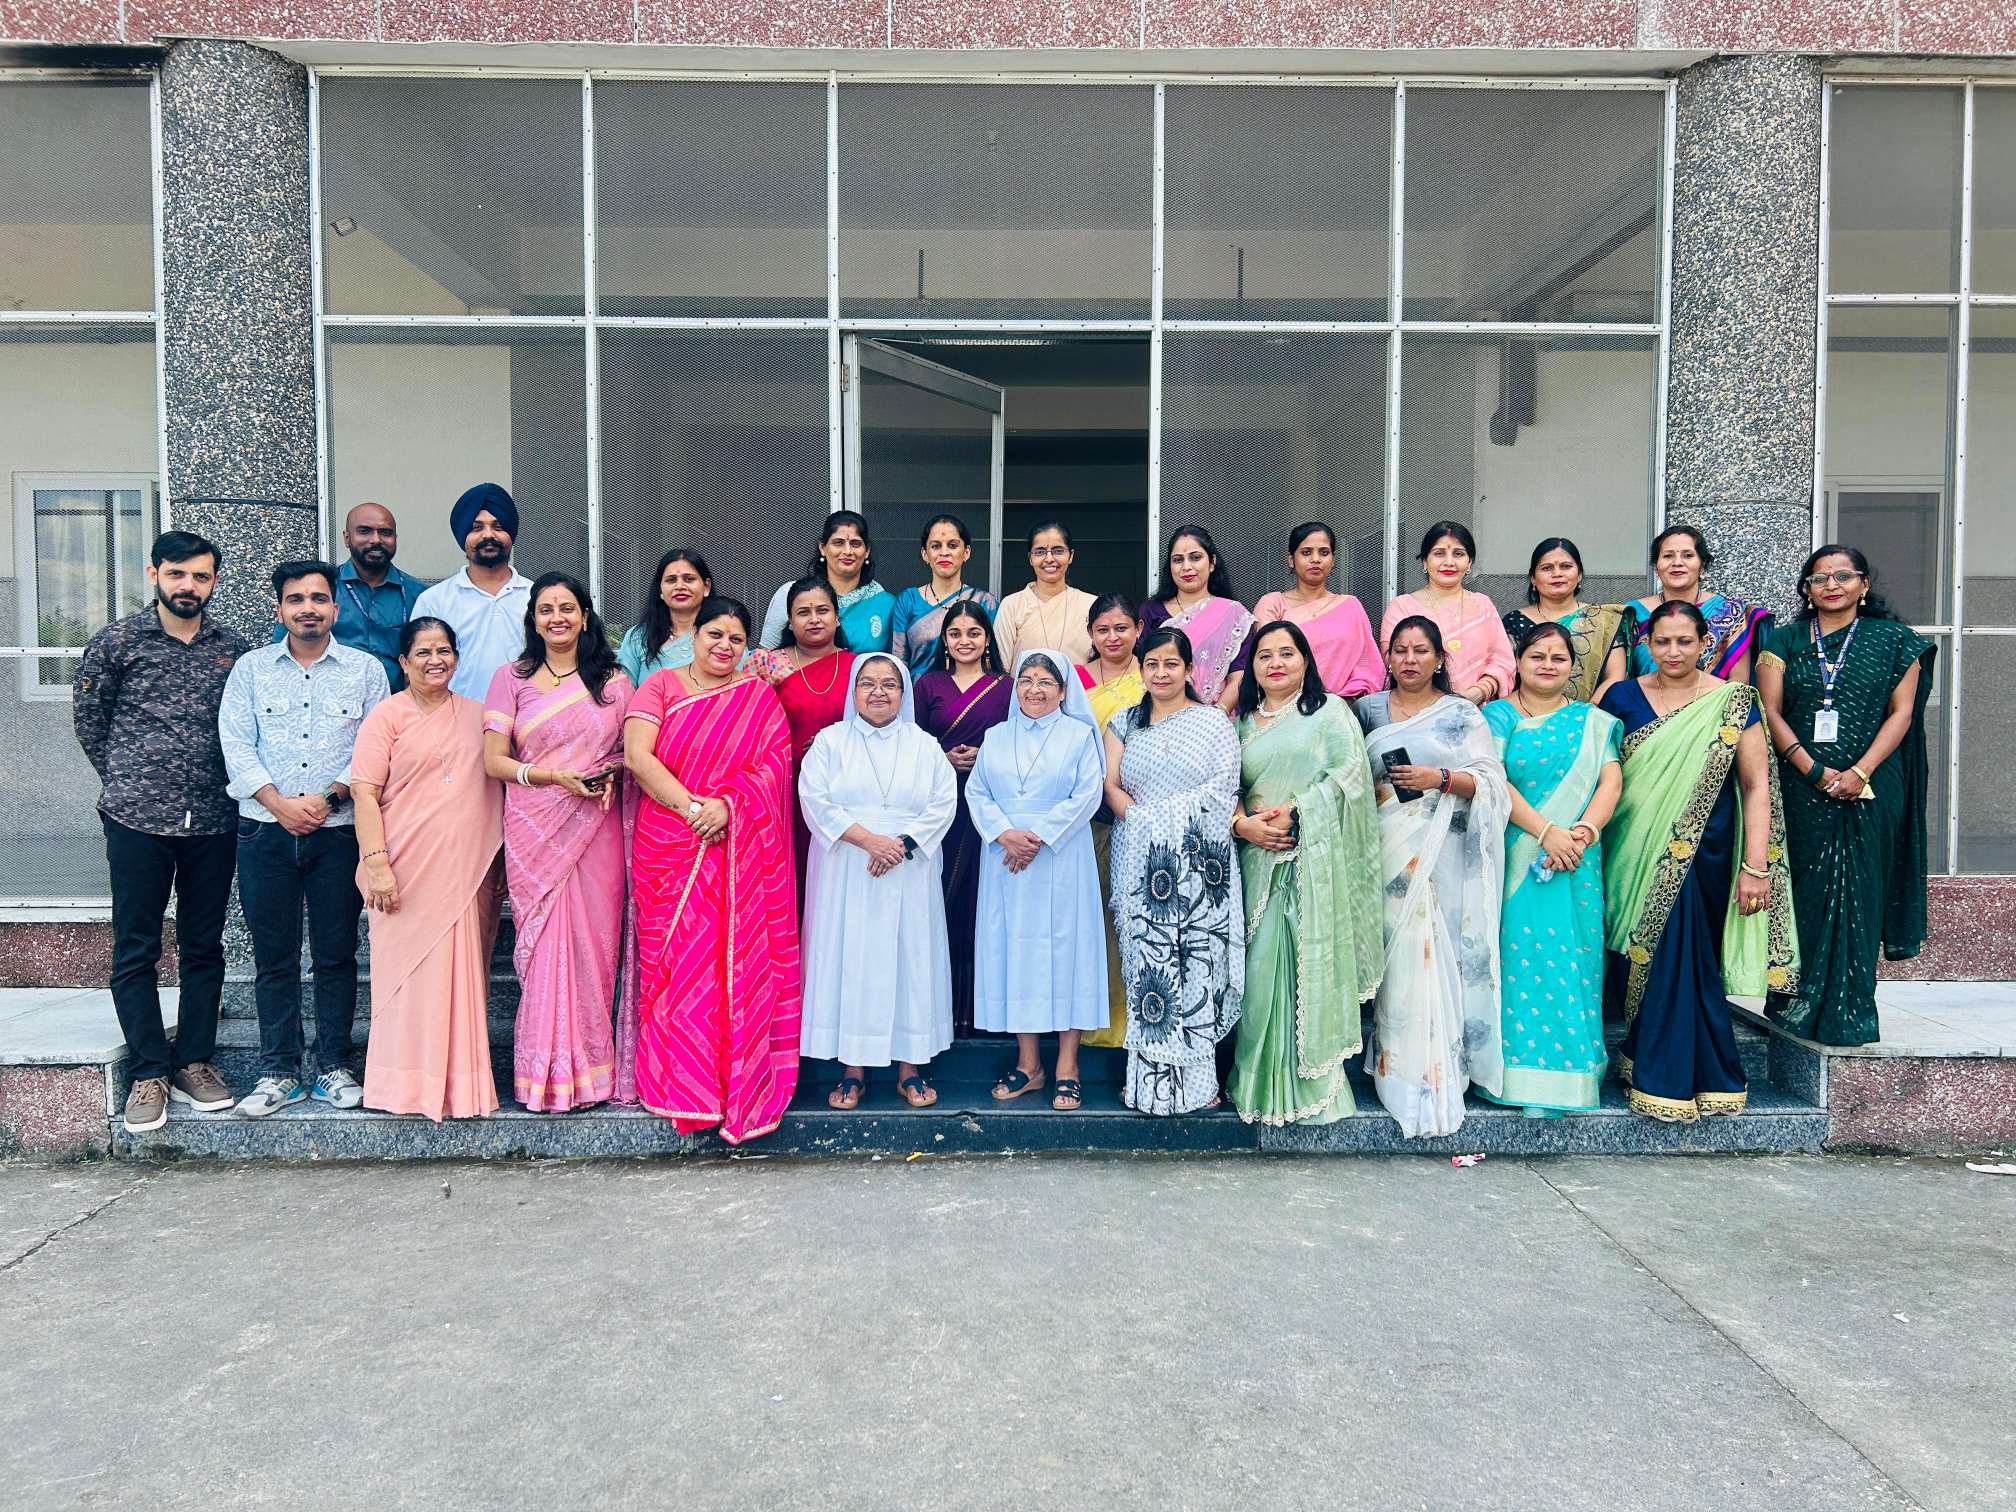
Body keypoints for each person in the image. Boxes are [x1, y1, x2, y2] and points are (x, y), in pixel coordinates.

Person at [72, 530, 249, 1134]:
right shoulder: (118, 642)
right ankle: (149, 1070)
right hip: (137, 818)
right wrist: (129, 778)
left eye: (200, 576)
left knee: (204, 944)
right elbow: (90, 720)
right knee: (137, 946)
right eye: (177, 574)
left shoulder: (233, 649)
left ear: (214, 581)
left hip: (214, 818)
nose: (188, 586)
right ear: (154, 575)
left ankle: (194, 1060)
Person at [1599, 600, 1797, 1122]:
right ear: (1646, 645)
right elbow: (1598, 774)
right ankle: (1644, 1055)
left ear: (1705, 643)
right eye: (1662, 641)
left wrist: (1756, 867)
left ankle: (1680, 1076)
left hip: (1702, 854)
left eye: (1684, 641)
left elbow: (1755, 786)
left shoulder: (1732, 701)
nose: (1673, 651)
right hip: (1630, 851)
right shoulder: (1620, 697)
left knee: (1687, 960)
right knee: (1647, 959)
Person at [625, 597, 801, 1143]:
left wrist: (727, 805)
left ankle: (733, 1088)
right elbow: (638, 757)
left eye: (736, 639)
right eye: (714, 635)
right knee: (675, 966)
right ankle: (682, 1087)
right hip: (669, 843)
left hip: (736, 846)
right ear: (694, 635)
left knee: (732, 964)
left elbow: (774, 766)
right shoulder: (659, 686)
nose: (724, 646)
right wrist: (694, 809)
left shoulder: (757, 698)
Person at [219, 559, 390, 1117]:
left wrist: (328, 799)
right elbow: (235, 743)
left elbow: (374, 750)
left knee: (336, 954)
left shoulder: (365, 671)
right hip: (264, 831)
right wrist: (278, 804)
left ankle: (334, 1066)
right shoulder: (250, 670)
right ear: (280, 609)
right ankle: (278, 1072)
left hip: (337, 833)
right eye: (296, 599)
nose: (308, 609)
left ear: (335, 609)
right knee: (274, 957)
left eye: (318, 599)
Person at [1758, 546, 1934, 1047]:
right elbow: (1769, 710)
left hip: (1873, 785)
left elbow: (1901, 714)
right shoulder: (1783, 641)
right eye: (1820, 578)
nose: (1832, 585)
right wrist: (1811, 768)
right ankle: (1792, 1002)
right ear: (1806, 590)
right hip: (1800, 786)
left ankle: (1851, 1010)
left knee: (1862, 890)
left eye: (1843, 576)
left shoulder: (1895, 642)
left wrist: (1860, 770)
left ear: (1863, 584)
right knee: (1804, 890)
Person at [483, 572, 633, 1112]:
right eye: (545, 609)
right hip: (535, 828)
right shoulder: (511, 678)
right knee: (545, 947)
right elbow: (494, 761)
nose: (557, 618)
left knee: (593, 949)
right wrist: (550, 778)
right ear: (533, 620)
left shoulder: (614, 682)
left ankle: (589, 1075)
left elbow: (634, 750)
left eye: (567, 608)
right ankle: (542, 1078)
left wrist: (610, 770)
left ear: (585, 616)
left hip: (596, 826)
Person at [1226, 620, 1384, 1126]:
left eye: (1286, 653)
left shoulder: (1330, 712)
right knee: (1258, 979)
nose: (1275, 663)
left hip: (1310, 861)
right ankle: (1255, 1084)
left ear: (1305, 660)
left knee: (1305, 970)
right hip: (1255, 861)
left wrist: (1298, 809)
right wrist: (1242, 825)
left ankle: (1314, 1089)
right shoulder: (1241, 724)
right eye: (1264, 655)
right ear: (1252, 667)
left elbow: (1350, 778)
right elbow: (1226, 787)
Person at [1357, 615, 1510, 1137]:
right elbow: (1353, 779)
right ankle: (1395, 1069)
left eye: (1421, 650)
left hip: (1444, 853)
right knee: (1399, 960)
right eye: (1400, 650)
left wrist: (1438, 778)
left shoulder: (1462, 714)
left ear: (1440, 658)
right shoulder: (1368, 710)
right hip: (1387, 850)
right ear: (1388, 657)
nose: (1409, 659)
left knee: (1436, 954)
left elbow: (1492, 782)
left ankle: (1439, 1073)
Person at [352, 618, 505, 1121]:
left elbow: (501, 786)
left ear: (456, 658)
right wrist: (376, 863)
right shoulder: (386, 716)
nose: (434, 660)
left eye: (444, 651)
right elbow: (364, 792)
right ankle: (402, 1088)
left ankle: (462, 1088)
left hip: (468, 873)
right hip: (403, 872)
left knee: (462, 980)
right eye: (422, 652)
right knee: (406, 981)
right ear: (403, 662)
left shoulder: (480, 716)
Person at [799, 654, 959, 1108]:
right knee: (852, 962)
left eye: (889, 684)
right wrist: (870, 841)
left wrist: (901, 845)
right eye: (867, 683)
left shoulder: (925, 745)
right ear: (853, 692)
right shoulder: (830, 742)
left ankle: (911, 1069)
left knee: (911, 961)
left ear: (903, 693)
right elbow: (815, 800)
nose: (878, 692)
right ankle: (853, 1070)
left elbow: (943, 803)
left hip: (909, 869)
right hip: (848, 869)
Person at [1481, 623, 1622, 1116]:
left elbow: (1610, 781)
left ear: (1571, 668)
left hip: (1577, 860)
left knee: (1574, 960)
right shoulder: (1496, 716)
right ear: (1518, 662)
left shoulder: (1592, 722)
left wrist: (1583, 832)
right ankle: (1515, 1076)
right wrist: (1545, 832)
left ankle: (1571, 1078)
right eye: (1536, 656)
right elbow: (1493, 780)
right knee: (1518, 962)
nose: (1546, 664)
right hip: (1517, 856)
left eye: (1558, 658)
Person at [1103, 627, 1245, 1115]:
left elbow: (1222, 788)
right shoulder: (1125, 722)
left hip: (1198, 867)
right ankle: (1148, 1086)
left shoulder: (1211, 722)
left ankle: (1198, 1085)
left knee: (1194, 967)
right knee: (1150, 970)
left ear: (1188, 670)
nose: (1161, 673)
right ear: (1141, 669)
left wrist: (1161, 819)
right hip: (1140, 862)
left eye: (1171, 664)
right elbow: (1111, 787)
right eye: (1152, 664)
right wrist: (1146, 823)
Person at [967, 650, 1109, 1110]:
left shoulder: (1079, 736)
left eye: (1046, 682)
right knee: (1016, 953)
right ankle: (1029, 1064)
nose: (1034, 689)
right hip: (1005, 858)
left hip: (1062, 858)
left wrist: (1039, 837)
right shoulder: (996, 735)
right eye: (1026, 680)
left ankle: (1068, 1065)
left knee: (1070, 953)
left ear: (1063, 690)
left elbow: (1087, 793)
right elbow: (977, 792)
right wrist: (1005, 835)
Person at [913, 600, 1015, 1035]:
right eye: (955, 633)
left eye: (974, 632)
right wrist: (943, 757)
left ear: (987, 639)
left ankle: (980, 1011)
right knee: (943, 896)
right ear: (945, 641)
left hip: (990, 806)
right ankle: (941, 1008)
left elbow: (1018, 744)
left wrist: (985, 757)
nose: (965, 641)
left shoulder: (1007, 687)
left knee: (983, 901)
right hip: (940, 806)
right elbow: (912, 743)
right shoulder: (928, 685)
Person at [750, 575, 857, 887]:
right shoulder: (767, 664)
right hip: (782, 787)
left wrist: (834, 743)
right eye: (803, 612)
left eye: (822, 610)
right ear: (789, 621)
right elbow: (747, 727)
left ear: (837, 617)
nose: (814, 619)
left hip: (842, 789)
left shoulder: (859, 666)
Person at [1077, 593, 1145, 1050]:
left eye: (1121, 628)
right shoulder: (1077, 680)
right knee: (1099, 916)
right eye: (1102, 629)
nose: (1112, 637)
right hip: (1091, 817)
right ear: (1090, 634)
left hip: (1145, 813)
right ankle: (1099, 1021)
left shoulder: (1154, 675)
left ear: (1138, 629)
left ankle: (1142, 1022)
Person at [1225, 521, 1385, 704]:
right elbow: (1268, 658)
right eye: (1306, 552)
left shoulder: (1350, 606)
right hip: (1284, 706)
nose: (1315, 559)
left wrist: (1337, 704)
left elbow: (1367, 668)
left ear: (1333, 560)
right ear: (1291, 560)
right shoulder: (1273, 603)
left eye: (1324, 552)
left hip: (1342, 706)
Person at [274, 502, 427, 690]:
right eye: (364, 531)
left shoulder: (419, 594)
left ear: (395, 538)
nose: (376, 540)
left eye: (385, 533)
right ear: (347, 538)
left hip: (399, 701)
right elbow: (282, 650)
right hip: (333, 699)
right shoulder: (321, 591)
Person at [410, 482, 534, 699]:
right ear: (463, 536)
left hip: (527, 714)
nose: (488, 535)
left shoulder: (536, 596)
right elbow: (418, 671)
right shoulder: (434, 601)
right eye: (476, 528)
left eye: (498, 527)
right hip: (455, 717)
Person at [1611, 524, 1771, 686]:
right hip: (1643, 699)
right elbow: (1620, 677)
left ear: (1702, 566)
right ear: (1656, 568)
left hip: (1715, 700)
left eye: (1687, 555)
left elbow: (1738, 681)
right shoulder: (1633, 613)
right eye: (1668, 556)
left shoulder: (1730, 611)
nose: (1677, 562)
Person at [1381, 520, 1515, 708]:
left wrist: (1478, 692)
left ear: (1469, 563)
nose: (1449, 562)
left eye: (1458, 554)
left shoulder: (1482, 605)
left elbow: (1503, 662)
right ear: (1425, 561)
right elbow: (1393, 661)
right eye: (1439, 553)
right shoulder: (1402, 607)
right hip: (1415, 711)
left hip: (1477, 711)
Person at [1139, 525, 1254, 708]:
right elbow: (1138, 668)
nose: (1186, 567)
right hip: (1159, 712)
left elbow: (1239, 675)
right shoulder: (1151, 611)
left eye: (1195, 557)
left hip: (1216, 715)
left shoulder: (1233, 614)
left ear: (1212, 562)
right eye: (1178, 560)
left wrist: (1215, 715)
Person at [1501, 537, 1623, 704]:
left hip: (1588, 714)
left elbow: (1615, 676)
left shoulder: (1604, 620)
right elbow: (1505, 673)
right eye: (1547, 568)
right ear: (1533, 578)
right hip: (1524, 713)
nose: (1557, 574)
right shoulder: (1514, 621)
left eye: (1566, 566)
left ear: (1579, 575)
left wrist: (1585, 712)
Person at [758, 510, 894, 653]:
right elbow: (764, 657)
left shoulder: (886, 604)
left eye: (855, 544)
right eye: (838, 543)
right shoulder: (792, 594)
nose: (848, 551)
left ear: (867, 551)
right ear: (822, 548)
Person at [889, 514, 999, 676]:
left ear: (966, 552)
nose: (944, 552)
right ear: (925, 553)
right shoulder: (908, 600)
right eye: (936, 546)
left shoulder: (984, 601)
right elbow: (898, 662)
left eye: (952, 545)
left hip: (972, 690)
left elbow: (993, 659)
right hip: (918, 690)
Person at [995, 520, 1097, 669]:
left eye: (1058, 551)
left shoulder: (1091, 605)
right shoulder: (1012, 605)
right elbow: (1000, 668)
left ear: (1071, 555)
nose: (1049, 559)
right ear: (1030, 558)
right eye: (1040, 552)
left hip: (1083, 685)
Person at [616, 548, 713, 685]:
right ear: (660, 590)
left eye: (689, 579)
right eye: (671, 580)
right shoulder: (639, 637)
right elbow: (622, 691)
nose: (679, 586)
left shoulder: (724, 637)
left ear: (706, 586)